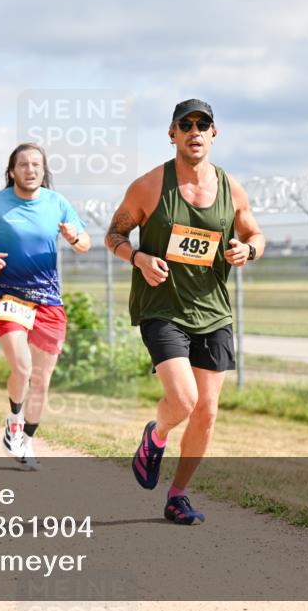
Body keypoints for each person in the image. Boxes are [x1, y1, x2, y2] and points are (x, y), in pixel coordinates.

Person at [104, 99, 265, 525]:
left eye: (203, 124)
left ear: (214, 134)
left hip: (213, 311)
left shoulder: (231, 189)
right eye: (185, 124)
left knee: (207, 411)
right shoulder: (149, 186)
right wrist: (137, 258)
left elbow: (256, 233)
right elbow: (114, 234)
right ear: (172, 133)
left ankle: (178, 495)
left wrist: (247, 249)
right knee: (184, 399)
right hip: (163, 307)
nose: (195, 131)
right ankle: (155, 438)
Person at [0, 143, 90, 470]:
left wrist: (73, 237)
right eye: (24, 165)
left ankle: (26, 442)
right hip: (9, 295)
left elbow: (84, 244)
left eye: (36, 165)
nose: (30, 170)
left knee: (42, 380)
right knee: (23, 368)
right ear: (12, 171)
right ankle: (14, 418)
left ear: (43, 172)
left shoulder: (57, 203)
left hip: (48, 300)